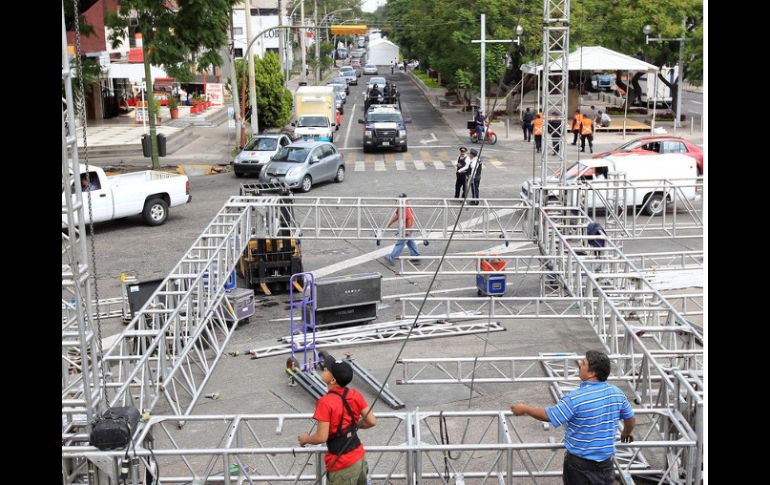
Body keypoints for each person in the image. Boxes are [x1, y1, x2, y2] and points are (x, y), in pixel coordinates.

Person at [511, 350, 635, 485]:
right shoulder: (617, 393)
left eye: (583, 363)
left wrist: (525, 409)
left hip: (579, 466)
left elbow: (549, 416)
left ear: (592, 373)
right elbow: (630, 418)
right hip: (605, 464)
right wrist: (626, 432)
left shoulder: (575, 398)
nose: (579, 366)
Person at [298, 356, 377, 485]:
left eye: (327, 369)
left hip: (342, 465)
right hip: (359, 457)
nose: (324, 368)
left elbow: (321, 437)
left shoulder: (325, 402)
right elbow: (371, 421)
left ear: (333, 380)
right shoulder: (355, 394)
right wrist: (352, 425)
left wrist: (306, 439)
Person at [386, 194, 420, 265]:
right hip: (407, 226)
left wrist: (407, 230)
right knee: (410, 241)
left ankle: (391, 257)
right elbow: (398, 215)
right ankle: (415, 255)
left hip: (406, 227)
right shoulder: (402, 206)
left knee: (401, 243)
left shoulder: (405, 207)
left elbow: (409, 218)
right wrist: (390, 222)